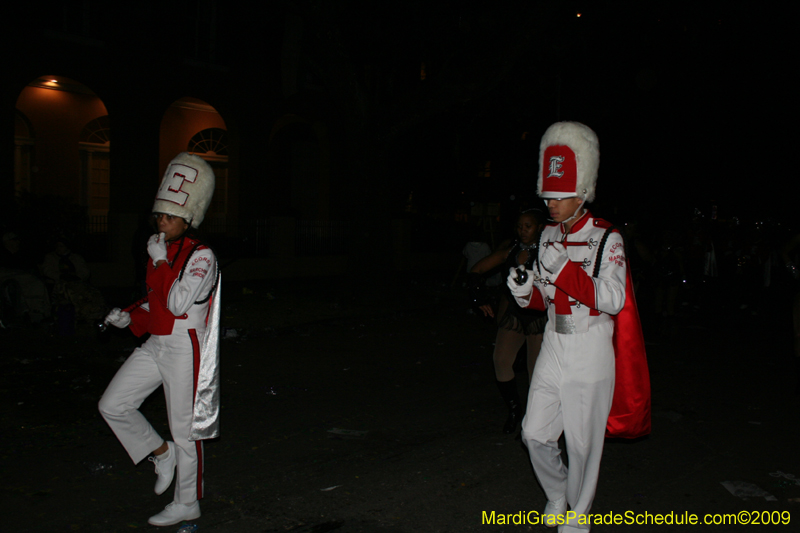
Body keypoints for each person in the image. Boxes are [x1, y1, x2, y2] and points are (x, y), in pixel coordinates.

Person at [507, 122, 650, 532]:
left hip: (590, 346)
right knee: (534, 432)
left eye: (559, 197)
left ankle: (579, 514)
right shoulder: (548, 234)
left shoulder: (608, 239)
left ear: (582, 194)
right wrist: (524, 291)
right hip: (554, 341)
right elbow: (545, 298)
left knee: (584, 444)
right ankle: (556, 493)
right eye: (547, 197)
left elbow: (612, 299)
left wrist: (565, 270)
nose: (550, 205)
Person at [98, 153, 221, 527]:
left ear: (189, 219)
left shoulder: (202, 256)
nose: (162, 222)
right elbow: (156, 304)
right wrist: (129, 317)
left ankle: (188, 502)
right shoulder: (160, 250)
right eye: (160, 215)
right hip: (157, 342)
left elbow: (178, 302)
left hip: (185, 348)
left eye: (170, 216)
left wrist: (161, 262)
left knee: (186, 429)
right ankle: (160, 453)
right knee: (113, 404)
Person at [468, 210, 547, 433]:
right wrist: (479, 299)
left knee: (537, 372)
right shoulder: (510, 250)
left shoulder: (548, 253)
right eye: (520, 226)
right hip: (514, 315)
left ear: (539, 227)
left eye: (528, 226)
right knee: (501, 360)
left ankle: (536, 419)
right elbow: (476, 270)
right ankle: (514, 410)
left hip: (538, 317)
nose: (523, 231)